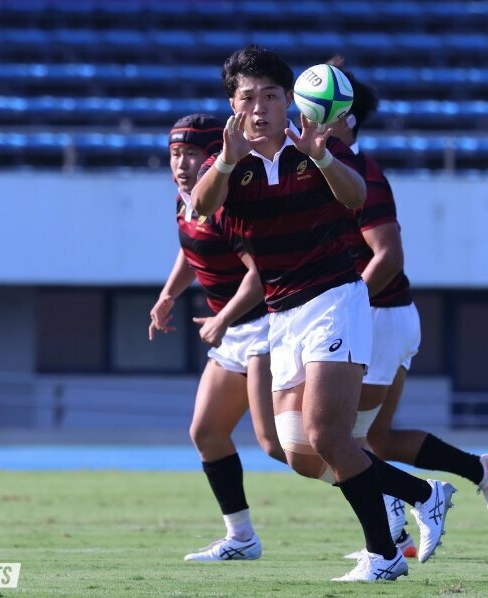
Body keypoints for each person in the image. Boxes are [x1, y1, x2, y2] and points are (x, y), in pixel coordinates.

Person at [191, 45, 455, 582]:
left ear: (290, 99)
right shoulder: (230, 160)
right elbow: (200, 206)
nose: (260, 107)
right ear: (233, 105)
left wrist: (323, 156)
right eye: (248, 98)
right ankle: (423, 493)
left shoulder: (313, 143)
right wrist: (223, 159)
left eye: (271, 95)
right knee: (301, 453)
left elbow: (356, 199)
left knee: (331, 436)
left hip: (335, 300)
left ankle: (384, 556)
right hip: (282, 313)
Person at [324, 68, 488, 559]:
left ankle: (396, 534)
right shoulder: (336, 167)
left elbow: (388, 256)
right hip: (391, 315)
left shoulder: (360, 173)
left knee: (343, 436)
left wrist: (349, 305)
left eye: (315, 110)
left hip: (380, 315)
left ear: (343, 118)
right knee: (376, 437)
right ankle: (479, 470)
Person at [148, 114, 287, 562]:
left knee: (280, 445)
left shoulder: (226, 200)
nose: (182, 164)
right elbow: (191, 251)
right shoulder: (184, 199)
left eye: (191, 154)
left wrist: (222, 319)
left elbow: (259, 277)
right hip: (231, 334)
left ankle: (392, 493)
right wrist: (169, 295)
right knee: (207, 433)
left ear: (213, 154)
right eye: (175, 154)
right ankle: (242, 538)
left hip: (263, 326)